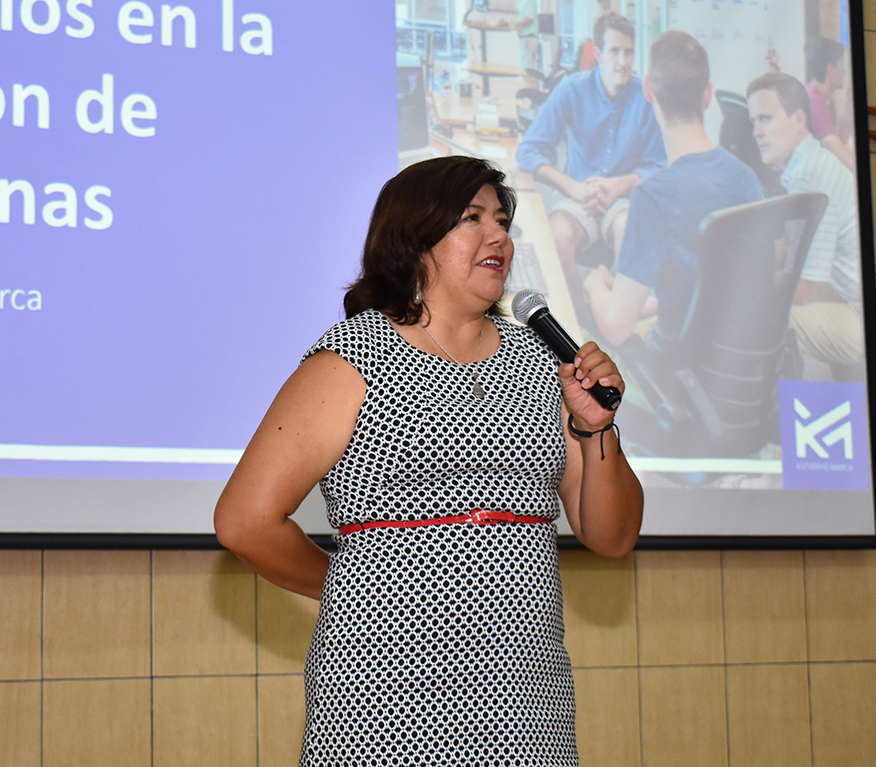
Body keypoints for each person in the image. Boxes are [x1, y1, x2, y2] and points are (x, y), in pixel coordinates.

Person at [214, 156, 643, 766]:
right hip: (384, 691)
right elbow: (245, 522)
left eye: (502, 222)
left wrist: (595, 427)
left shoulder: (542, 362)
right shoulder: (352, 356)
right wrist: (355, 592)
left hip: (528, 696)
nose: (498, 237)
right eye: (472, 219)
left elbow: (613, 536)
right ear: (415, 239)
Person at [584, 30, 764, 352]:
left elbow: (616, 328)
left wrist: (595, 283)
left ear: (648, 90)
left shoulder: (654, 195)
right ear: (707, 94)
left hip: (676, 363)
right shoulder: (747, 179)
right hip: (738, 359)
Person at [517, 12, 666, 299]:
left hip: (623, 199)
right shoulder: (572, 89)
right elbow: (528, 150)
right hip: (578, 196)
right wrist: (571, 187)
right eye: (614, 52)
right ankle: (580, 315)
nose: (623, 61)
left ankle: (617, 313)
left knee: (630, 232)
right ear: (598, 54)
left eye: (628, 52)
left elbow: (660, 166)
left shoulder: (645, 98)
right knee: (557, 237)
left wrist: (620, 185)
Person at [746, 71, 864, 367]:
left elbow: (803, 291)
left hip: (862, 314)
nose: (756, 132)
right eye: (753, 121)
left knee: (766, 317)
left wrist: (739, 288)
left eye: (765, 119)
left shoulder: (808, 177)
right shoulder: (806, 163)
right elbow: (789, 253)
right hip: (848, 296)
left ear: (799, 120)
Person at [805, 37, 855, 170]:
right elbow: (848, 161)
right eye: (841, 63)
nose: (844, 70)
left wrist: (849, 110)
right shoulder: (814, 102)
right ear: (830, 69)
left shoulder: (823, 99)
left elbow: (838, 141)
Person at [512, 0, 540, 88]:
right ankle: (530, 92)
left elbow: (529, 19)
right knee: (525, 69)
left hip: (529, 37)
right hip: (524, 37)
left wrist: (516, 23)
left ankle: (534, 94)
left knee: (529, 71)